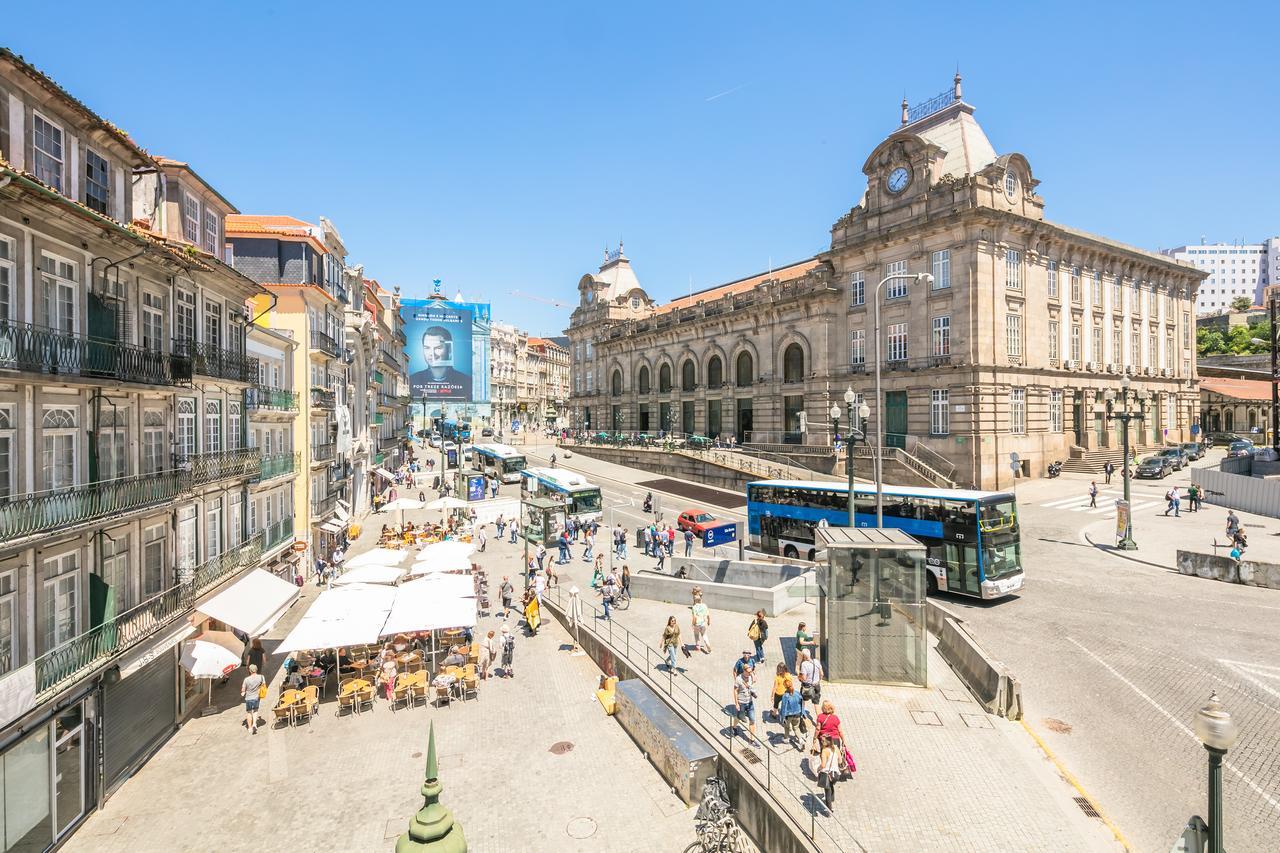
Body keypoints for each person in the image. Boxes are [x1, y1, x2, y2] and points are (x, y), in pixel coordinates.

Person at [732, 664, 760, 746]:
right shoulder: (738, 679)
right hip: (742, 703)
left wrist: (753, 676)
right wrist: (736, 703)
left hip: (750, 702)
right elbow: (735, 691)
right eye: (748, 672)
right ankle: (734, 727)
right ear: (744, 671)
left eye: (751, 671)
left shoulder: (750, 676)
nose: (750, 673)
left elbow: (753, 682)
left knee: (752, 720)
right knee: (738, 717)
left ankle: (752, 740)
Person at [816, 735, 842, 811]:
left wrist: (818, 769)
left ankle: (829, 809)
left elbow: (823, 765)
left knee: (827, 789)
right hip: (836, 774)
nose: (821, 741)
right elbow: (840, 761)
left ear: (827, 742)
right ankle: (832, 798)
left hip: (828, 773)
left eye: (823, 741)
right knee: (831, 785)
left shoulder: (824, 750)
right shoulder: (836, 748)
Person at [779, 679, 805, 749]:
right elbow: (802, 702)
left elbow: (784, 708)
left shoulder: (785, 696)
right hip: (797, 714)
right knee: (796, 728)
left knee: (787, 727)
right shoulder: (797, 693)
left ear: (785, 687)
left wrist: (783, 717)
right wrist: (803, 712)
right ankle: (800, 740)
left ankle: (786, 738)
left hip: (788, 715)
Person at [240, 664, 265, 735]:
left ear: (250, 671)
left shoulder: (246, 679)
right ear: (256, 669)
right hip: (257, 697)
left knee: (249, 712)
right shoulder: (261, 677)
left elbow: (243, 689)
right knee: (255, 710)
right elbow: (264, 685)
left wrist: (243, 692)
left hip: (248, 698)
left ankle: (250, 728)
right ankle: (254, 724)